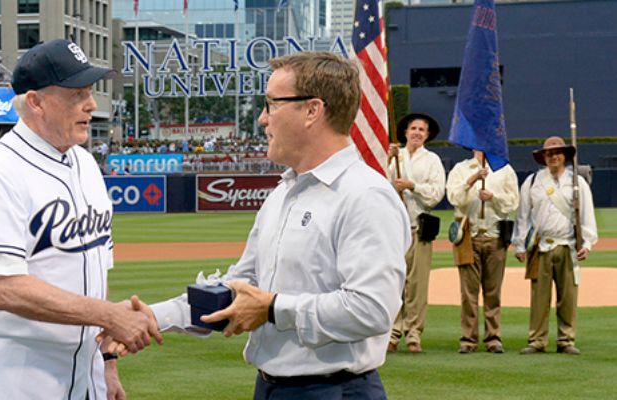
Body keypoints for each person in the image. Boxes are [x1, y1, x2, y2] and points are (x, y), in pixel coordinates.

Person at [125, 52, 410, 399]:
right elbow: (243, 287)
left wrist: (273, 308)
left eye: (271, 104)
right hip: (270, 386)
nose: (262, 118)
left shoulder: (365, 195)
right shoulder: (283, 193)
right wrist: (150, 315)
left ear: (312, 111)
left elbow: (372, 310)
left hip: (335, 389)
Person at [0, 39, 162, 399]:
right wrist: (109, 315)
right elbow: (5, 289)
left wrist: (107, 363)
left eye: (90, 91)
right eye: (77, 93)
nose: (91, 104)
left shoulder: (85, 164)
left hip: (85, 375)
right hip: (19, 380)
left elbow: (97, 273)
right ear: (35, 102)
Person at [512, 136, 597, 355]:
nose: (554, 156)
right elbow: (523, 216)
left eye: (558, 152)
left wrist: (587, 242)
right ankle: (537, 340)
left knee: (568, 297)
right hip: (541, 246)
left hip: (567, 245)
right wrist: (520, 244)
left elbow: (587, 214)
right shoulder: (533, 182)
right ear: (543, 157)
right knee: (539, 297)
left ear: (565, 156)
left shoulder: (577, 183)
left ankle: (566, 340)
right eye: (549, 153)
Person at [446, 150, 519, 354]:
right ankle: (468, 338)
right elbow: (454, 197)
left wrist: (493, 197)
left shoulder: (504, 169)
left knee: (492, 291)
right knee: (468, 293)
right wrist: (472, 180)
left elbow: (513, 202)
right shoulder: (461, 169)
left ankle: (493, 337)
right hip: (468, 235)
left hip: (495, 236)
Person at [385, 113, 446, 353]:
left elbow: (436, 193)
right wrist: (388, 161)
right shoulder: (393, 157)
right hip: (393, 230)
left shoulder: (432, 160)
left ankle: (413, 333)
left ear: (427, 135)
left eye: (422, 129)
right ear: (405, 132)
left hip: (419, 227)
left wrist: (412, 186)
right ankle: (392, 332)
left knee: (417, 285)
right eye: (413, 128)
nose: (417, 133)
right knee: (392, 284)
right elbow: (378, 185)